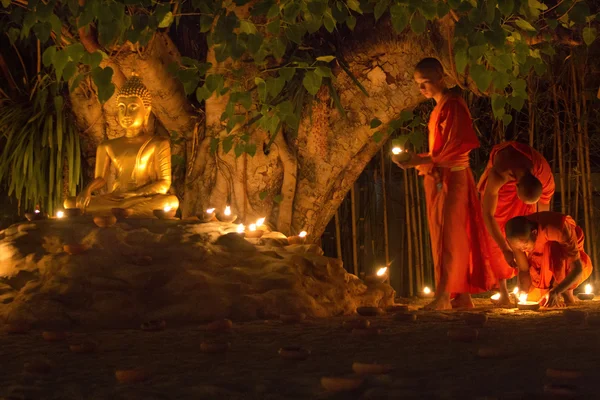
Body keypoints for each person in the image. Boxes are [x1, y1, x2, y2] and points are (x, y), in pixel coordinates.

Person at [393, 57, 494, 310]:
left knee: (451, 237)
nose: (422, 89)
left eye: (426, 82)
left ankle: (444, 295)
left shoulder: (454, 106)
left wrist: (419, 159)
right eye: (418, 84)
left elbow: (456, 149)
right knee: (444, 236)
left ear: (442, 78)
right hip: (442, 176)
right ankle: (460, 295)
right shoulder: (438, 108)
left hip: (454, 177)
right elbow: (441, 149)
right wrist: (420, 159)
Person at [64, 74, 179, 217]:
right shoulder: (107, 146)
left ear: (147, 112)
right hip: (115, 198)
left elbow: (164, 183)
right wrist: (87, 191)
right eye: (121, 107)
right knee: (69, 203)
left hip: (140, 198)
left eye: (132, 107)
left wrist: (135, 194)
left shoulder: (159, 143)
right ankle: (125, 211)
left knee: (170, 201)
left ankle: (125, 210)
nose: (126, 114)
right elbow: (101, 179)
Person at [477, 142, 555, 306]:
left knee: (526, 236)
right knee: (496, 236)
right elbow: (488, 214)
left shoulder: (542, 173)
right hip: (500, 197)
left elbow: (542, 217)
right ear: (517, 185)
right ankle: (503, 291)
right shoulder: (500, 173)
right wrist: (505, 249)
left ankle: (531, 283)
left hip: (527, 197)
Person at [505, 212, 593, 307]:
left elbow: (577, 268)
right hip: (541, 262)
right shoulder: (516, 236)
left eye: (525, 245)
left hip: (564, 257)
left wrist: (556, 291)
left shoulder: (557, 228)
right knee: (532, 298)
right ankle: (548, 291)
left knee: (552, 247)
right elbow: (524, 269)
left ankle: (567, 294)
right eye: (519, 248)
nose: (522, 250)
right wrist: (522, 290)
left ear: (534, 233)